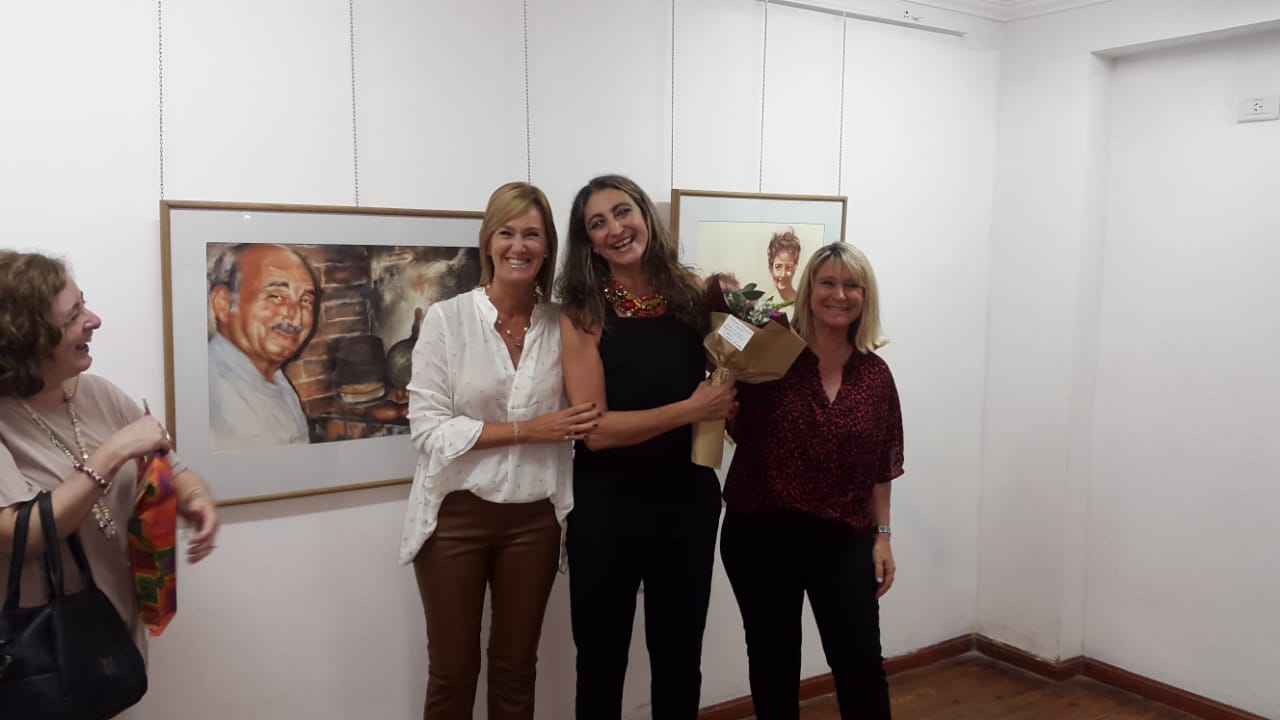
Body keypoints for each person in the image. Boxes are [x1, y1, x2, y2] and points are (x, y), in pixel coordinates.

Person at [398, 182, 598, 720]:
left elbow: (589, 412)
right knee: (452, 671)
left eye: (532, 234)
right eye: (507, 232)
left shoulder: (565, 324)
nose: (519, 245)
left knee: (516, 670)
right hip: (455, 518)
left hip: (535, 520)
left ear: (548, 246)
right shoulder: (447, 320)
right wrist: (527, 430)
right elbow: (428, 431)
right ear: (488, 242)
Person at [558, 174, 737, 719]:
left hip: (687, 506)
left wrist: (738, 326)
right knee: (601, 663)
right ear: (589, 243)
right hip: (607, 511)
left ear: (644, 216)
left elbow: (731, 373)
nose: (615, 228)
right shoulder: (582, 311)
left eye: (622, 212)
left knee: (680, 662)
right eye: (598, 223)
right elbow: (595, 431)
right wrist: (692, 409)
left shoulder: (692, 296)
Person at [0, 251, 220, 670]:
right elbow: (22, 537)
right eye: (73, 316)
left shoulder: (99, 393)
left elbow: (174, 472)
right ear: (26, 337)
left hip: (114, 635)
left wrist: (196, 499)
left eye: (84, 304)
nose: (94, 320)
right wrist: (115, 451)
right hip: (34, 655)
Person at [721, 242, 903, 720]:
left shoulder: (875, 374)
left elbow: (882, 463)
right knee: (773, 664)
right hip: (761, 533)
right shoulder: (772, 352)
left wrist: (883, 536)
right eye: (828, 282)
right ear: (809, 290)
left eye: (852, 285)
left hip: (843, 537)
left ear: (865, 296)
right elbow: (730, 410)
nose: (839, 294)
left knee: (860, 666)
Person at [206, 243, 319, 451]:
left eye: (305, 300)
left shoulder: (272, 376)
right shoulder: (217, 393)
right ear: (223, 303)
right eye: (276, 297)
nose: (295, 316)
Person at [766, 230, 802, 303]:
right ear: (771, 269)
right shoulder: (765, 305)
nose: (783, 274)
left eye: (788, 267)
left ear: (794, 268)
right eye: (778, 267)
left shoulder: (803, 304)